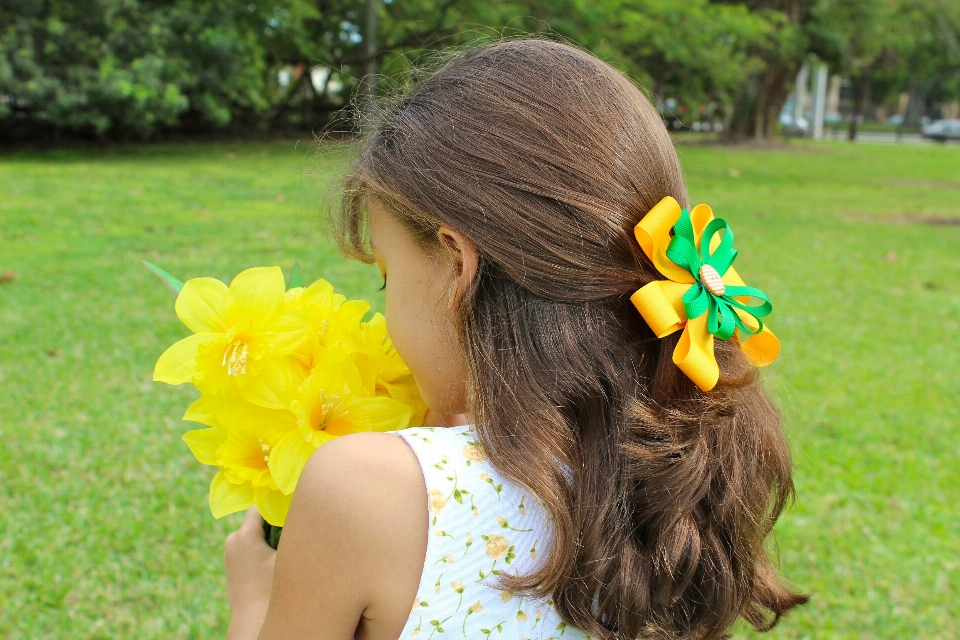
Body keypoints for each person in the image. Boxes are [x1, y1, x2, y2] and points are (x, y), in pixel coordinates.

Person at [223, 39, 807, 640]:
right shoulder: (678, 465)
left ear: (456, 266)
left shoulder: (366, 489)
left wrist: (252, 602)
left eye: (386, 279)